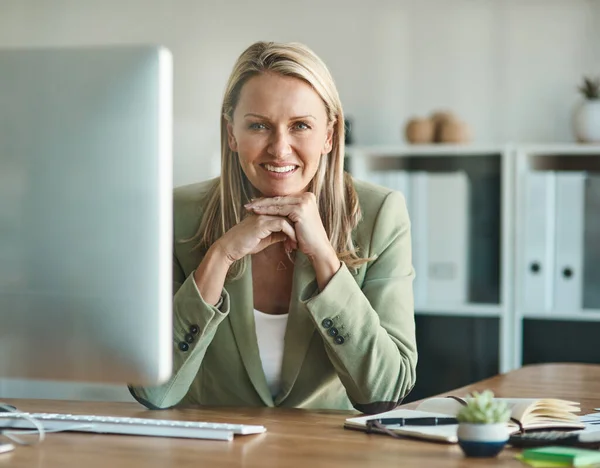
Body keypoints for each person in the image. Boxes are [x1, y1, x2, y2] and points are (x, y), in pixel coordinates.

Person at [129, 41, 417, 414]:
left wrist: (326, 261)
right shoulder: (175, 215)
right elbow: (154, 392)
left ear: (329, 135)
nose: (280, 149)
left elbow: (385, 391)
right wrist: (220, 255)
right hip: (214, 451)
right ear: (231, 133)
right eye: (259, 126)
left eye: (300, 126)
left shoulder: (379, 215)